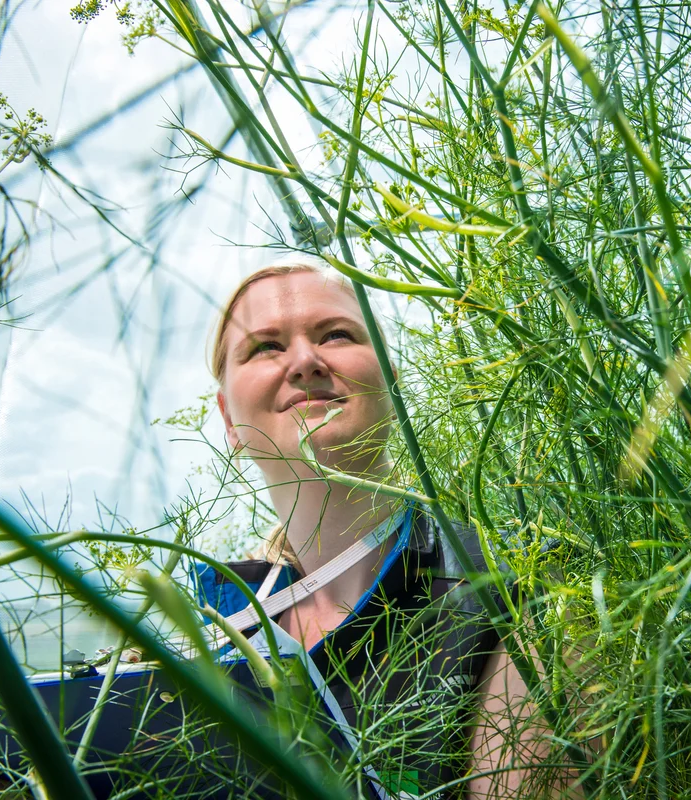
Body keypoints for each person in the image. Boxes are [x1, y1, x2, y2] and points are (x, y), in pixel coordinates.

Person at [192, 257, 547, 800]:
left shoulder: (515, 587)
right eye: (266, 346)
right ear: (227, 419)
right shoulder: (212, 635)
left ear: (392, 378)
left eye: (335, 335)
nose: (306, 361)